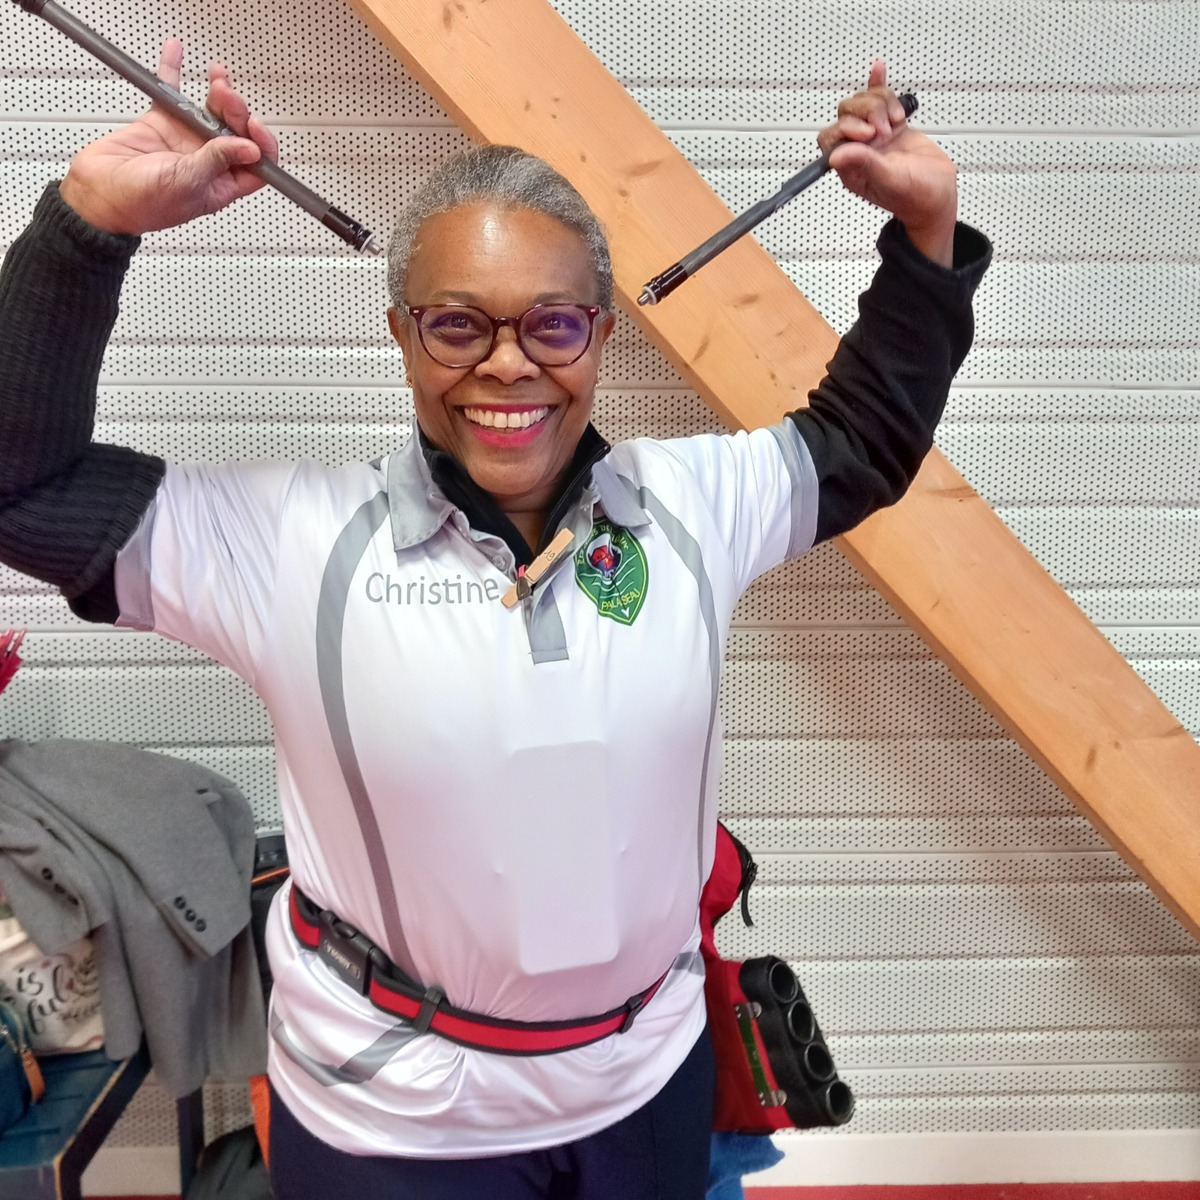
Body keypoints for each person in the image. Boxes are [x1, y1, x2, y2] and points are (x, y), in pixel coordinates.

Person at [0, 42, 990, 1200]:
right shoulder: (285, 543)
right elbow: (23, 488)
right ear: (402, 334)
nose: (508, 366)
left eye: (553, 326)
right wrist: (89, 222)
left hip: (643, 1084)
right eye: (458, 326)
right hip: (394, 1119)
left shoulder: (694, 506)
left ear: (602, 333)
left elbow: (864, 438)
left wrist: (925, 233)